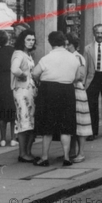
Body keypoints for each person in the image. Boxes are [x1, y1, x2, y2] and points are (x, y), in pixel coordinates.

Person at [31, 31, 82, 167]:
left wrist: (40, 81)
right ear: (64, 42)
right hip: (67, 90)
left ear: (50, 42)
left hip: (48, 90)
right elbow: (77, 76)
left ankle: (44, 157)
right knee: (66, 126)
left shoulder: (46, 58)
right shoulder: (73, 58)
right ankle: (66, 157)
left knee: (47, 125)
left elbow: (35, 73)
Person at [10, 29, 37, 163]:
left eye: (33, 40)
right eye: (28, 40)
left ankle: (28, 152)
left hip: (30, 91)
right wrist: (24, 75)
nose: (31, 42)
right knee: (24, 120)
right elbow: (14, 69)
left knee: (31, 121)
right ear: (22, 40)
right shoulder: (19, 54)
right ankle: (23, 153)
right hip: (22, 91)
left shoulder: (28, 54)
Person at [66, 33, 91, 162]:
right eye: (64, 44)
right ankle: (71, 152)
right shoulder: (65, 56)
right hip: (68, 90)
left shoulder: (78, 57)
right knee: (71, 123)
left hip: (77, 90)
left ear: (74, 45)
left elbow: (80, 76)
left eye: (68, 44)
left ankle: (81, 153)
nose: (66, 46)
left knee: (81, 122)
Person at [0, 30, 17, 147]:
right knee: (12, 109)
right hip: (11, 80)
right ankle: (13, 139)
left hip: (0, 82)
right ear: (7, 39)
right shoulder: (14, 51)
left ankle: (2, 139)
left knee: (1, 110)